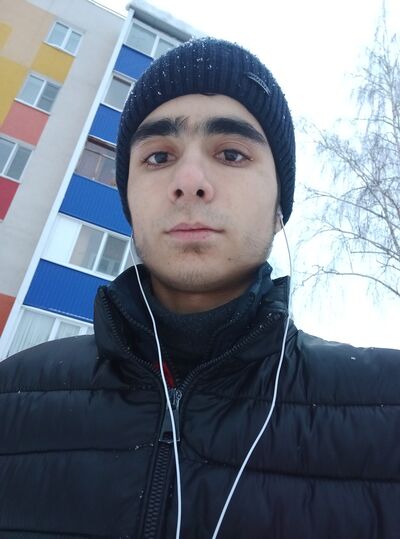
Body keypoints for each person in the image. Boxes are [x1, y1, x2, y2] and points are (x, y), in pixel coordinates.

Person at [0, 37, 399, 539]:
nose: (189, 181)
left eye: (231, 153)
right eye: (158, 157)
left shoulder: (388, 410)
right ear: (129, 203)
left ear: (280, 207)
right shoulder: (11, 399)